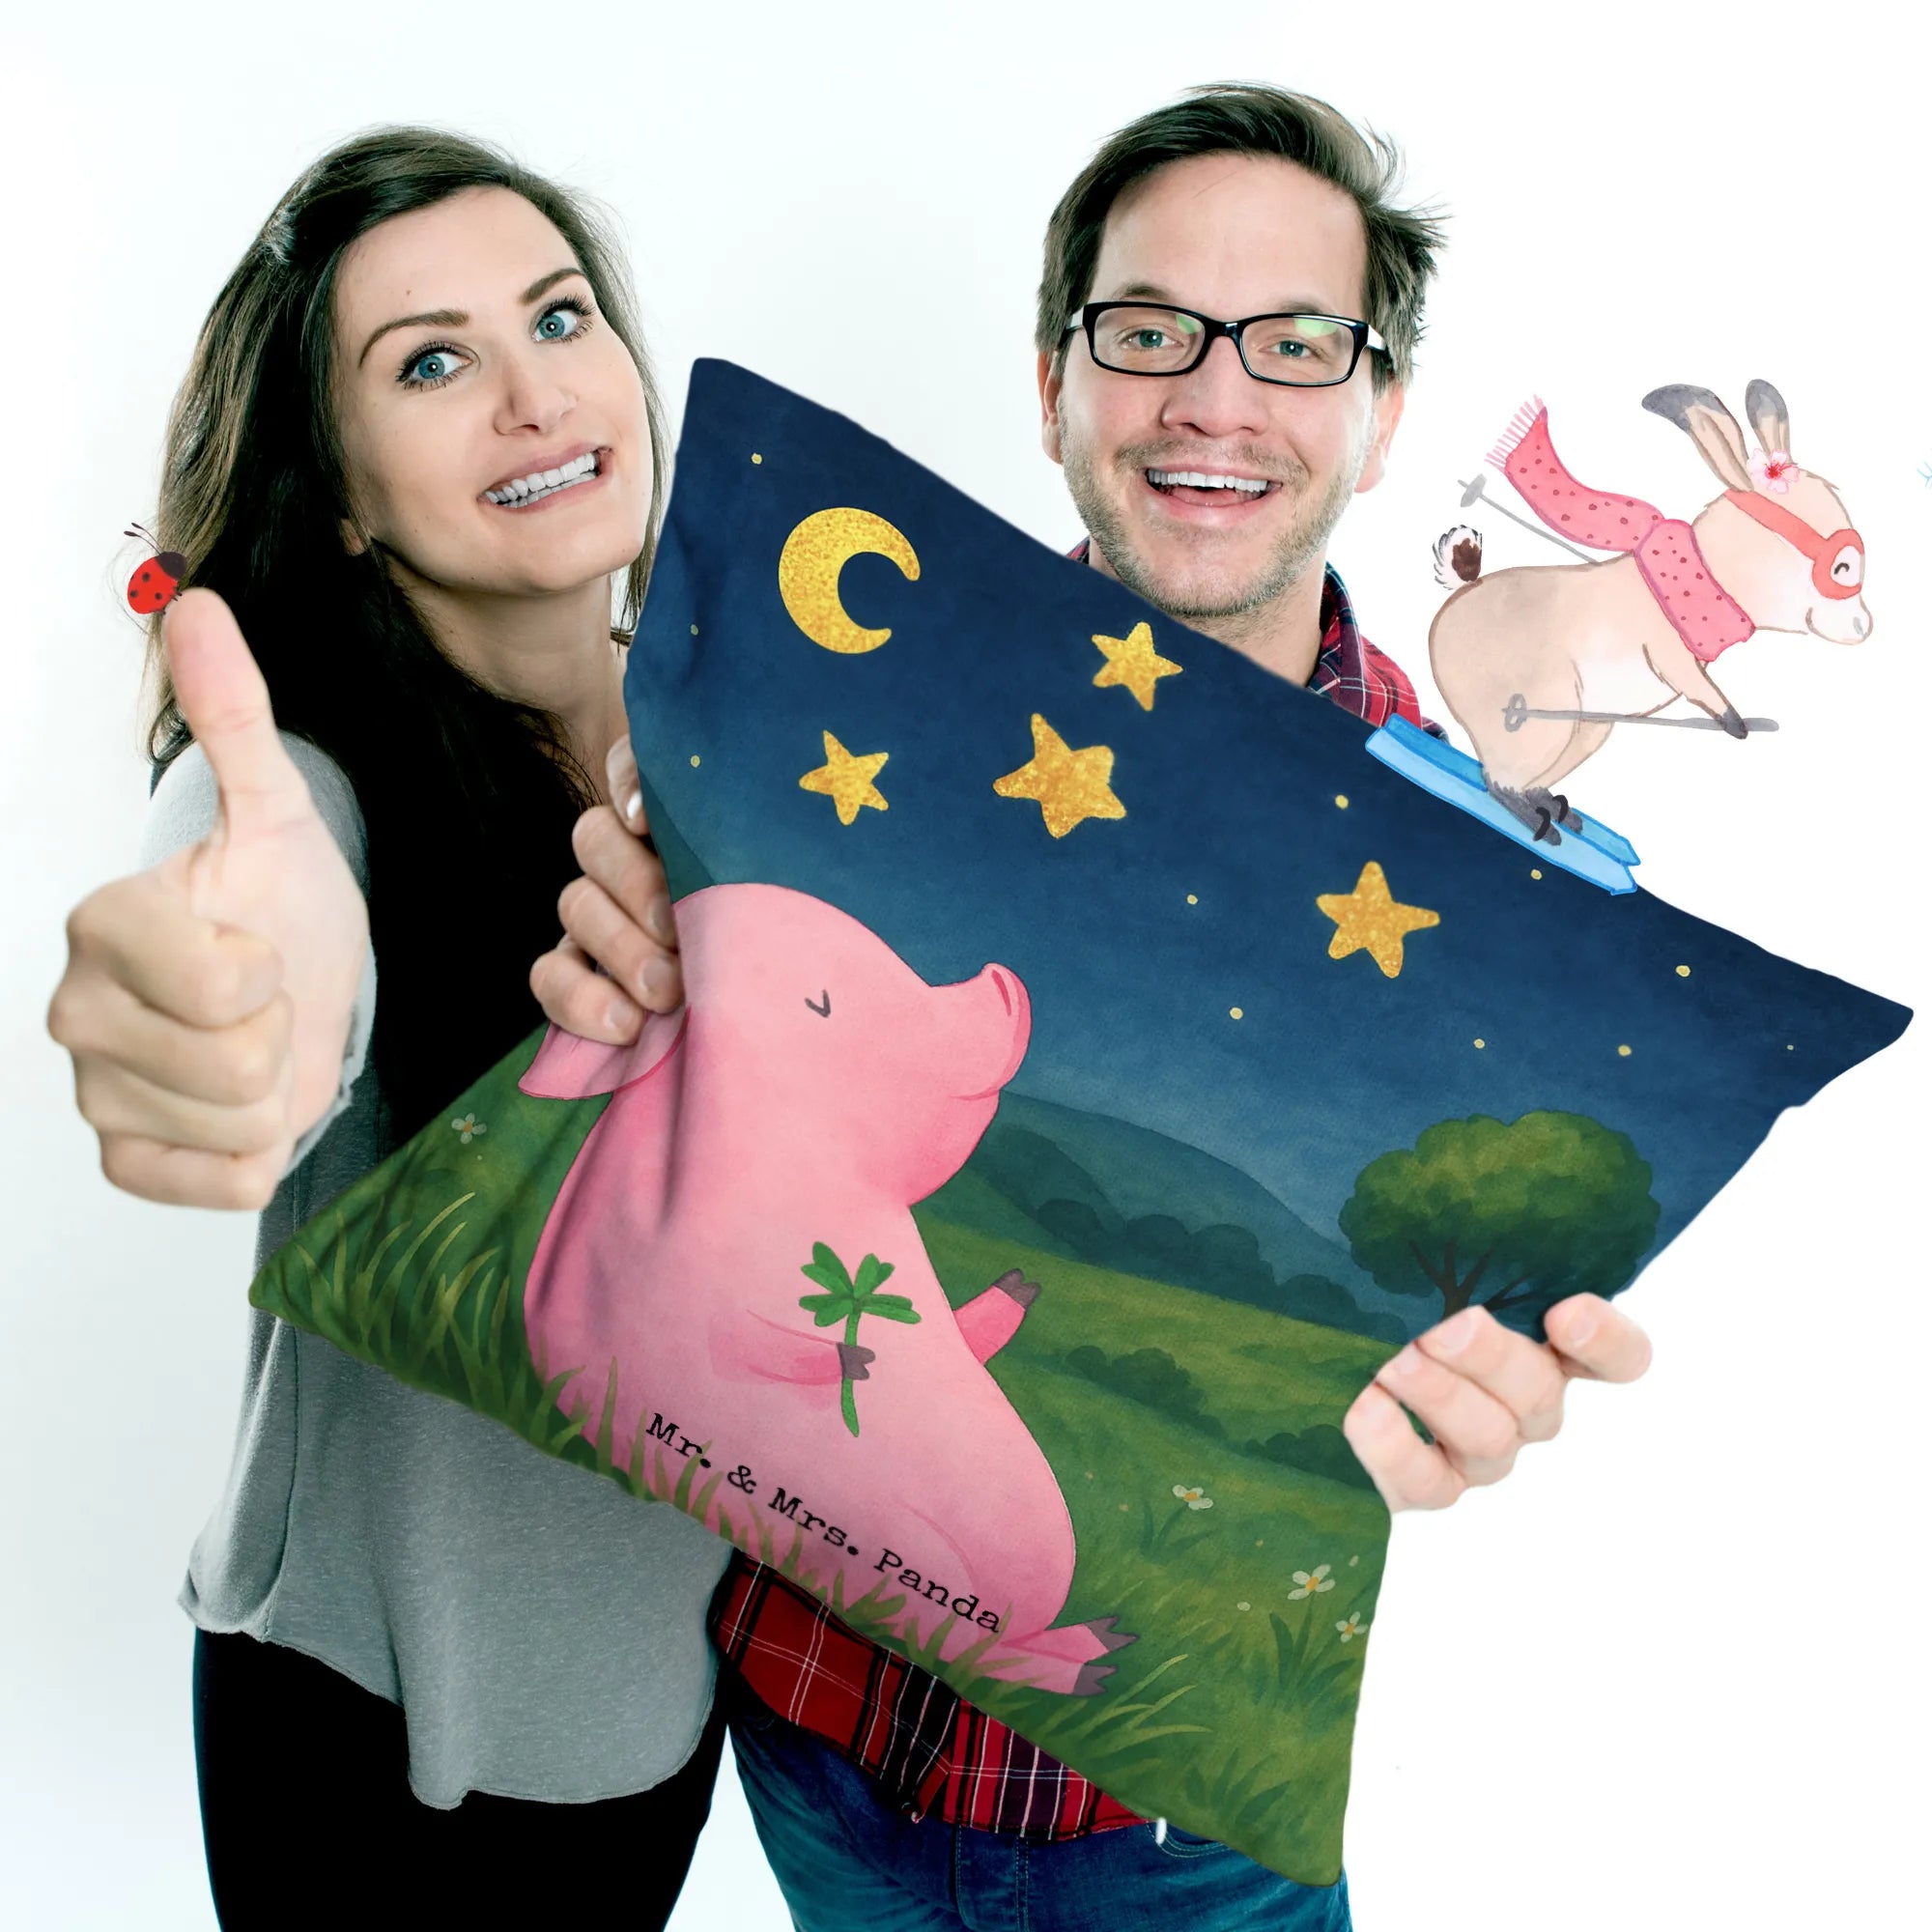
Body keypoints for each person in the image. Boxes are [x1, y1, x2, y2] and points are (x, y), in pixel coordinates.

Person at [535, 85, 1656, 1930]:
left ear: (1380, 418)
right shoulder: (844, 720)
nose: (1216, 398)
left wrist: (1480, 1382)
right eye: (1150, 332)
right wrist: (624, 1002)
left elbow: (1438, 1321)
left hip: (1182, 1821)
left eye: (1297, 343)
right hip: (806, 1742)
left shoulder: (1492, 896)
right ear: (1054, 383)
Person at [44, 130, 730, 1927]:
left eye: (559, 318)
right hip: (379, 1746)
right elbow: (254, 900)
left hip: (661, 1711)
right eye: (430, 363)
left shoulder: (745, 753)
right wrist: (223, 997)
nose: (532, 395)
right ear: (342, 496)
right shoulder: (310, 781)